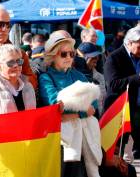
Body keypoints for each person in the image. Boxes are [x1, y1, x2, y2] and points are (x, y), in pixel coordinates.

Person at [39, 34, 98, 177]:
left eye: (71, 53)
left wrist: (72, 111)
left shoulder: (79, 75)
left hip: (85, 136)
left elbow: (93, 103)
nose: (68, 57)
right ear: (52, 56)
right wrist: (81, 112)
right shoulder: (46, 77)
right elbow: (55, 105)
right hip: (60, 138)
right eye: (63, 54)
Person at [104, 26, 140, 177]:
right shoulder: (114, 57)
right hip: (121, 113)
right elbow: (113, 84)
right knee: (117, 153)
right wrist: (139, 77)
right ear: (129, 43)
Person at [76, 42, 106, 115]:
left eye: (97, 56)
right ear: (82, 57)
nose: (96, 59)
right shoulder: (72, 75)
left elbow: (102, 101)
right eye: (92, 56)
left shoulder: (99, 77)